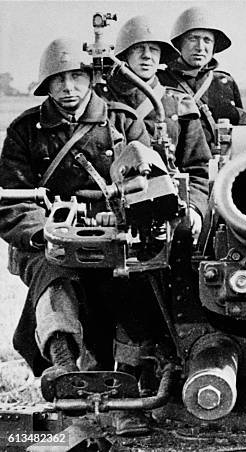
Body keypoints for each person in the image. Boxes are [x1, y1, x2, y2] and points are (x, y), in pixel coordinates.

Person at [0, 38, 150, 410]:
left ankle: (133, 375)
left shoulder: (123, 122)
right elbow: (10, 200)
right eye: (58, 80)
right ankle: (64, 365)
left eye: (77, 77)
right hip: (47, 238)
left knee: (137, 278)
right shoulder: (24, 131)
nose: (68, 88)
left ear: (91, 78)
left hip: (116, 231)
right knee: (53, 275)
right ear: (45, 86)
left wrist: (122, 216)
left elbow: (150, 184)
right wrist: (45, 232)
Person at [97, 15, 212, 435]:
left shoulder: (181, 103)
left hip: (180, 219)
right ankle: (127, 396)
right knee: (124, 297)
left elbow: (200, 169)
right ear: (123, 54)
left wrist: (196, 210)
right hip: (124, 218)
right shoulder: (100, 104)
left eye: (154, 50)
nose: (147, 56)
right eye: (138, 50)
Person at [158, 6, 246, 147]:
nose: (200, 47)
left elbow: (239, 130)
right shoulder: (160, 80)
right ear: (179, 44)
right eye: (193, 39)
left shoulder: (225, 83)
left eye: (207, 40)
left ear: (214, 47)